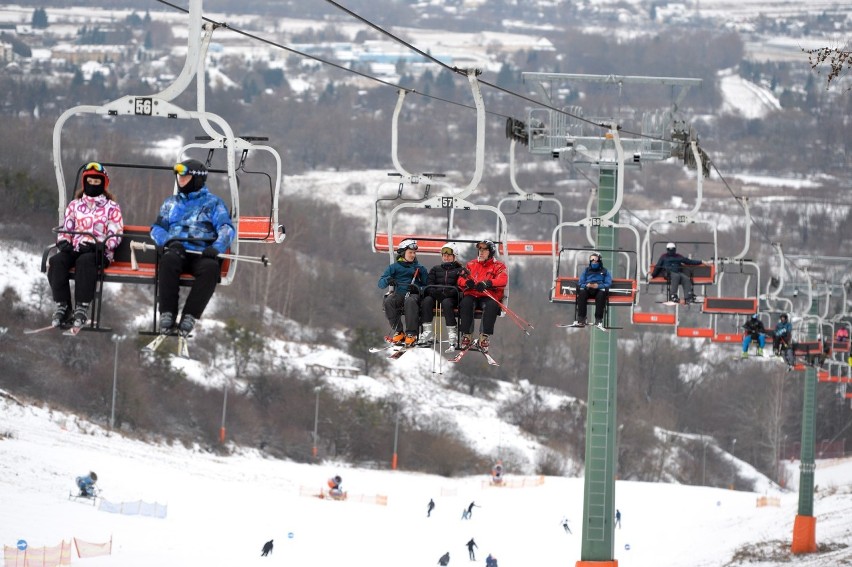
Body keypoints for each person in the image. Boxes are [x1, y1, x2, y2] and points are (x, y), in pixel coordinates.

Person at [150, 159, 234, 336]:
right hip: (176, 249)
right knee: (168, 260)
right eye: (179, 177)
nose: (180, 181)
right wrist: (169, 242)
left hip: (200, 253)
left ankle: (190, 316)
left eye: (185, 177)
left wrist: (216, 248)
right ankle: (168, 313)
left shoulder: (214, 204)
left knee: (211, 269)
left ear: (197, 179)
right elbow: (157, 228)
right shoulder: (171, 203)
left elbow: (226, 228)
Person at [48, 162, 124, 329]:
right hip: (76, 248)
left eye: (97, 182)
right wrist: (64, 241)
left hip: (98, 252)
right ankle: (63, 305)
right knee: (56, 261)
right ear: (84, 182)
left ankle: (82, 307)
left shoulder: (112, 208)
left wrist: (99, 246)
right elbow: (66, 228)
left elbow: (116, 234)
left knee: (85, 261)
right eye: (90, 181)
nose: (93, 185)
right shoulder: (75, 205)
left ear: (103, 184)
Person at [457, 240, 508, 353]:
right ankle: (467, 335)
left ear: (491, 252)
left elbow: (502, 280)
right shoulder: (471, 264)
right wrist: (466, 283)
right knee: (466, 303)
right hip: (472, 294)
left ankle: (484, 337)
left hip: (488, 295)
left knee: (492, 306)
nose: (481, 252)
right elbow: (461, 279)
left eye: (485, 250)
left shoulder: (498, 266)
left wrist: (488, 283)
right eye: (480, 249)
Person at [377, 238, 428, 346]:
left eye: (414, 253)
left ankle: (411, 334)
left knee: (410, 302)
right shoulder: (394, 268)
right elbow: (380, 284)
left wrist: (418, 289)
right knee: (389, 301)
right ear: (403, 253)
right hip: (399, 293)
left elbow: (427, 285)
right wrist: (388, 280)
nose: (413, 255)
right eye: (410, 252)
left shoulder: (419, 268)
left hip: (413, 294)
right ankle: (399, 331)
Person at [420, 242, 465, 350]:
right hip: (436, 296)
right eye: (444, 255)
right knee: (427, 300)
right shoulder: (435, 269)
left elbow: (460, 286)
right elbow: (429, 283)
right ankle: (427, 330)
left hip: (451, 298)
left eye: (449, 255)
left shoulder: (459, 270)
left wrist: (448, 294)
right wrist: (434, 292)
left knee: (446, 303)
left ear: (454, 256)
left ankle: (452, 332)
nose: (446, 257)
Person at [574, 251, 612, 327]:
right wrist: (586, 285)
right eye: (592, 259)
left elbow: (608, 283)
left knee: (601, 296)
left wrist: (598, 286)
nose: (594, 261)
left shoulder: (604, 271)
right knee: (582, 295)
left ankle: (598, 319)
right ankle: (581, 318)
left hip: (598, 289)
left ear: (599, 260)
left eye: (595, 259)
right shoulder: (587, 270)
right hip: (588, 289)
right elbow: (580, 282)